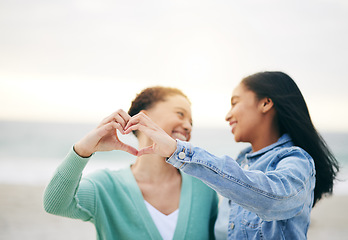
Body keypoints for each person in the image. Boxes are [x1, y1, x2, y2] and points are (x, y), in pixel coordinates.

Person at [124, 72, 340, 239]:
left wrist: (177, 151)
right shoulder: (240, 167)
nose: (228, 115)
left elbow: (273, 198)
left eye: (235, 102)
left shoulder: (296, 162)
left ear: (265, 103)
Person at [43, 86, 218, 240]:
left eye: (191, 122)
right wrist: (83, 149)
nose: (188, 126)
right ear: (144, 117)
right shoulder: (106, 186)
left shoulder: (203, 187)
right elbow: (54, 204)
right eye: (180, 114)